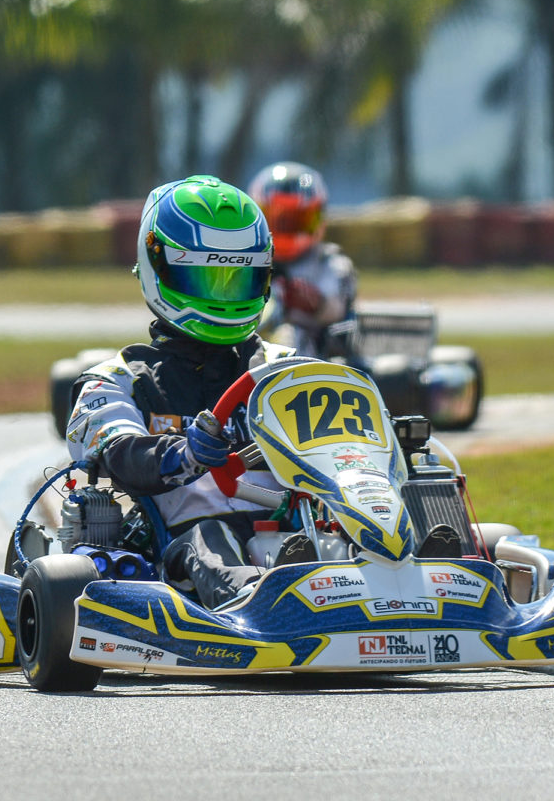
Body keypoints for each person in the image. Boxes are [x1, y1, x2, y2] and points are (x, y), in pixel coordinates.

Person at [63, 175, 314, 609]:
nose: (223, 296)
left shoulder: (289, 369)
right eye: (206, 279)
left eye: (237, 279)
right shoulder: (117, 379)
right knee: (211, 537)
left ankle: (413, 571)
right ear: (158, 267)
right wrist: (184, 454)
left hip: (294, 532)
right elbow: (119, 452)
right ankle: (259, 604)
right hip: (182, 548)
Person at [248, 162, 358, 358]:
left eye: (296, 220)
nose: (287, 227)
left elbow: (338, 306)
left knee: (289, 333)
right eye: (281, 220)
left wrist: (316, 303)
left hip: (317, 353)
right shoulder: (246, 260)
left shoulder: (330, 262)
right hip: (252, 341)